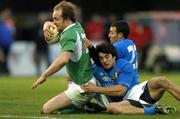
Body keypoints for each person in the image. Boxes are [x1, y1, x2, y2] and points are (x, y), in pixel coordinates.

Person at [32, 1, 96, 114]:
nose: (54, 23)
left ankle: (85, 108)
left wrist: (44, 75)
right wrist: (46, 24)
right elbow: (52, 23)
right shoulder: (77, 25)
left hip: (84, 87)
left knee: (47, 109)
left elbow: (63, 60)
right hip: (83, 80)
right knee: (69, 76)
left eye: (56, 19)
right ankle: (83, 104)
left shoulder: (68, 34)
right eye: (53, 18)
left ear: (66, 19)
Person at [82, 42, 178, 114]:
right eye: (101, 58)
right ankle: (155, 110)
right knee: (112, 108)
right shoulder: (96, 69)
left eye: (107, 57)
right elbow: (82, 74)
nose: (104, 61)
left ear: (114, 56)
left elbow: (121, 90)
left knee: (162, 81)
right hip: (127, 102)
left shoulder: (124, 65)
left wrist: (95, 89)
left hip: (139, 92)